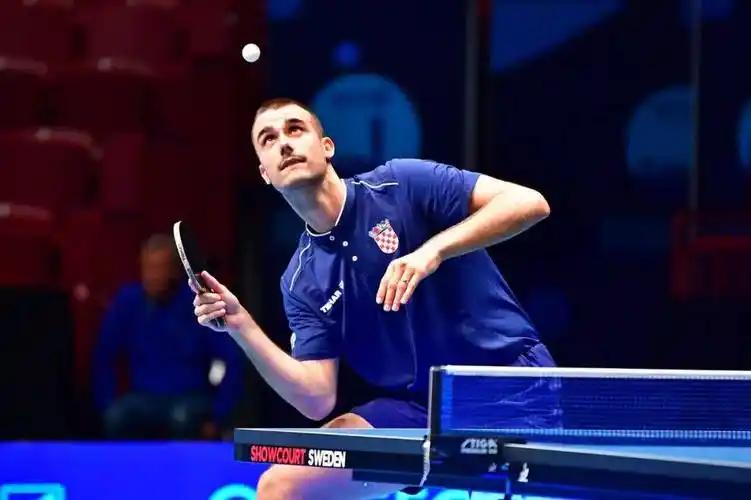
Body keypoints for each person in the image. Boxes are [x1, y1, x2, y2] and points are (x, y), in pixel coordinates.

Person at [192, 98, 555, 498]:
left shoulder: (401, 185)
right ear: (265, 172)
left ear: (327, 146)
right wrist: (241, 327)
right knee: (283, 486)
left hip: (510, 386)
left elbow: (529, 203)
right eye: (268, 138)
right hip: (418, 412)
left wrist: (432, 251)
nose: (284, 143)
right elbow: (316, 398)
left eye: (295, 129)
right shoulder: (302, 280)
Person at [93, 234, 244, 439]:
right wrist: (106, 402)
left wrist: (218, 416)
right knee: (117, 417)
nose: (152, 276)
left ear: (174, 270)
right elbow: (104, 356)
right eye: (148, 268)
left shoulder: (198, 303)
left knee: (182, 418)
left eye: (159, 268)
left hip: (189, 398)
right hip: (142, 397)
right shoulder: (127, 302)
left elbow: (231, 360)